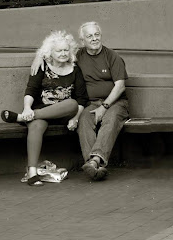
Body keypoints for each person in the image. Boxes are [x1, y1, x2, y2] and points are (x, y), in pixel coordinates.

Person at [32, 22, 129, 181]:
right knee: (83, 120)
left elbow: (120, 87)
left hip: (115, 103)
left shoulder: (112, 56)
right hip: (90, 103)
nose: (94, 38)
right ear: (82, 40)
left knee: (110, 121)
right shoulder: (78, 56)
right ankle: (94, 167)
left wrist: (104, 107)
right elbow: (57, 52)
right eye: (89, 36)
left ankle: (94, 161)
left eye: (97, 34)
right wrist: (38, 57)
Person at [1, 31, 88, 186]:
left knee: (72, 103)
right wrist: (27, 108)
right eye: (59, 50)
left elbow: (81, 99)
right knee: (36, 126)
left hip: (63, 113)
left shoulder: (75, 70)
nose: (63, 53)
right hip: (41, 111)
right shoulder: (42, 66)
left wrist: (75, 118)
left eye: (66, 50)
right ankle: (32, 173)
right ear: (50, 52)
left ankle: (22, 118)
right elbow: (31, 90)